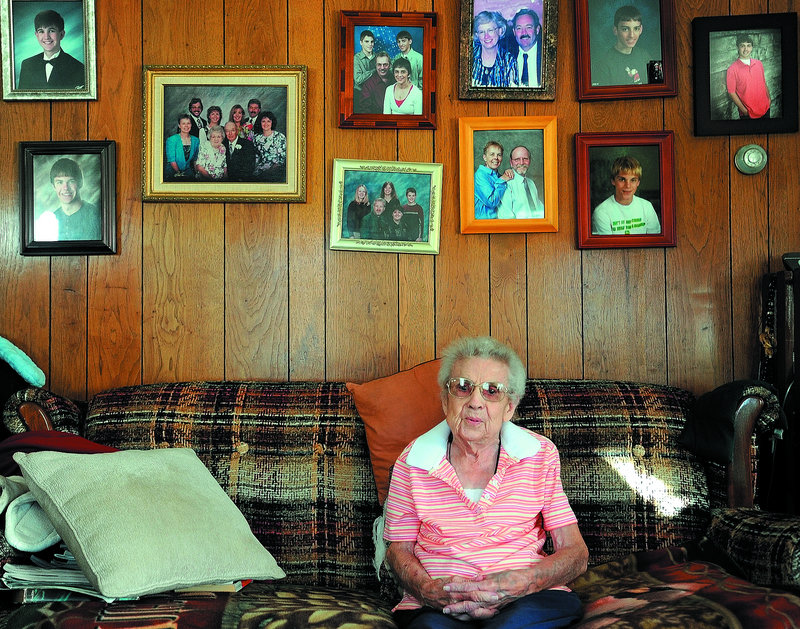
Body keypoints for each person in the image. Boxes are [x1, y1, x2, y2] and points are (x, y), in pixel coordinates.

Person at [383, 336, 589, 628]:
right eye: (462, 387)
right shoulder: (413, 460)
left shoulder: (540, 454)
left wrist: (522, 583)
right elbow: (398, 550)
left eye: (492, 391)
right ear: (445, 400)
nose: (475, 402)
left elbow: (576, 553)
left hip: (525, 598)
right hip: (438, 607)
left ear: (509, 407)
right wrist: (427, 591)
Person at [34, 158, 101, 241]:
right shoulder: (51, 221)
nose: (65, 188)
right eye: (60, 182)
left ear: (80, 183)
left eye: (71, 181)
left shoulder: (96, 216)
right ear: (53, 186)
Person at [591, 156, 661, 235]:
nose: (628, 186)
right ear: (613, 181)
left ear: (638, 182)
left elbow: (655, 243)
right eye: (622, 179)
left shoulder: (647, 207)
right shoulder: (601, 212)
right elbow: (607, 246)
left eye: (633, 180)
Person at [17, 9, 85, 90]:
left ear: (62, 34)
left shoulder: (78, 68)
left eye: (51, 31)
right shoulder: (27, 65)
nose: (46, 37)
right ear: (36, 35)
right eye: (41, 31)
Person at [591, 5, 652, 86]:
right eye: (625, 29)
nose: (632, 35)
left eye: (636, 28)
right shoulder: (604, 64)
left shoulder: (645, 57)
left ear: (641, 30)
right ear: (615, 30)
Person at [726, 33, 771, 119]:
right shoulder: (732, 69)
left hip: (766, 109)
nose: (746, 49)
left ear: (752, 47)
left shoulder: (759, 63)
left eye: (748, 46)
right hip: (748, 114)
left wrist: (769, 99)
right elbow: (731, 92)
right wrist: (744, 111)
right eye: (742, 46)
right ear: (737, 47)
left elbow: (763, 82)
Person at [497, 146, 545, 219]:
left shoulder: (531, 183)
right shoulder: (506, 184)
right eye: (517, 159)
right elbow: (506, 217)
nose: (522, 163)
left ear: (529, 161)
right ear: (511, 162)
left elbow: (540, 209)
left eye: (525, 159)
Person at [471, 11, 517, 87]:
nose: (486, 36)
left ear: (500, 31)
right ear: (477, 35)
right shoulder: (469, 56)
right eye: (482, 32)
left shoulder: (509, 61)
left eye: (490, 30)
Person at [474, 141, 513, 219]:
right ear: (484, 157)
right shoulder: (480, 175)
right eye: (492, 154)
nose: (496, 158)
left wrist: (507, 173)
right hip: (483, 223)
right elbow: (491, 201)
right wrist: (502, 179)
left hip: (496, 222)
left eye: (499, 155)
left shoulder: (497, 175)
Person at [253, 110, 287, 182]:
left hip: (276, 170)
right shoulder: (256, 138)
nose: (266, 124)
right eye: (263, 121)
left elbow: (283, 158)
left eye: (268, 121)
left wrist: (272, 169)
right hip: (261, 169)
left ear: (272, 122)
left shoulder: (280, 137)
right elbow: (256, 156)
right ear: (260, 122)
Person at [511, 9, 542, 88]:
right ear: (514, 32)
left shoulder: (546, 55)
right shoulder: (507, 57)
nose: (524, 33)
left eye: (528, 27)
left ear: (537, 30)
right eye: (519, 28)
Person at [164, 114, 199, 180]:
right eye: (183, 123)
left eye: (188, 123)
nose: (186, 126)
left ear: (191, 125)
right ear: (179, 126)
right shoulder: (172, 140)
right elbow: (172, 160)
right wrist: (179, 174)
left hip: (188, 171)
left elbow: (195, 159)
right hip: (173, 171)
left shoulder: (196, 140)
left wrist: (197, 173)